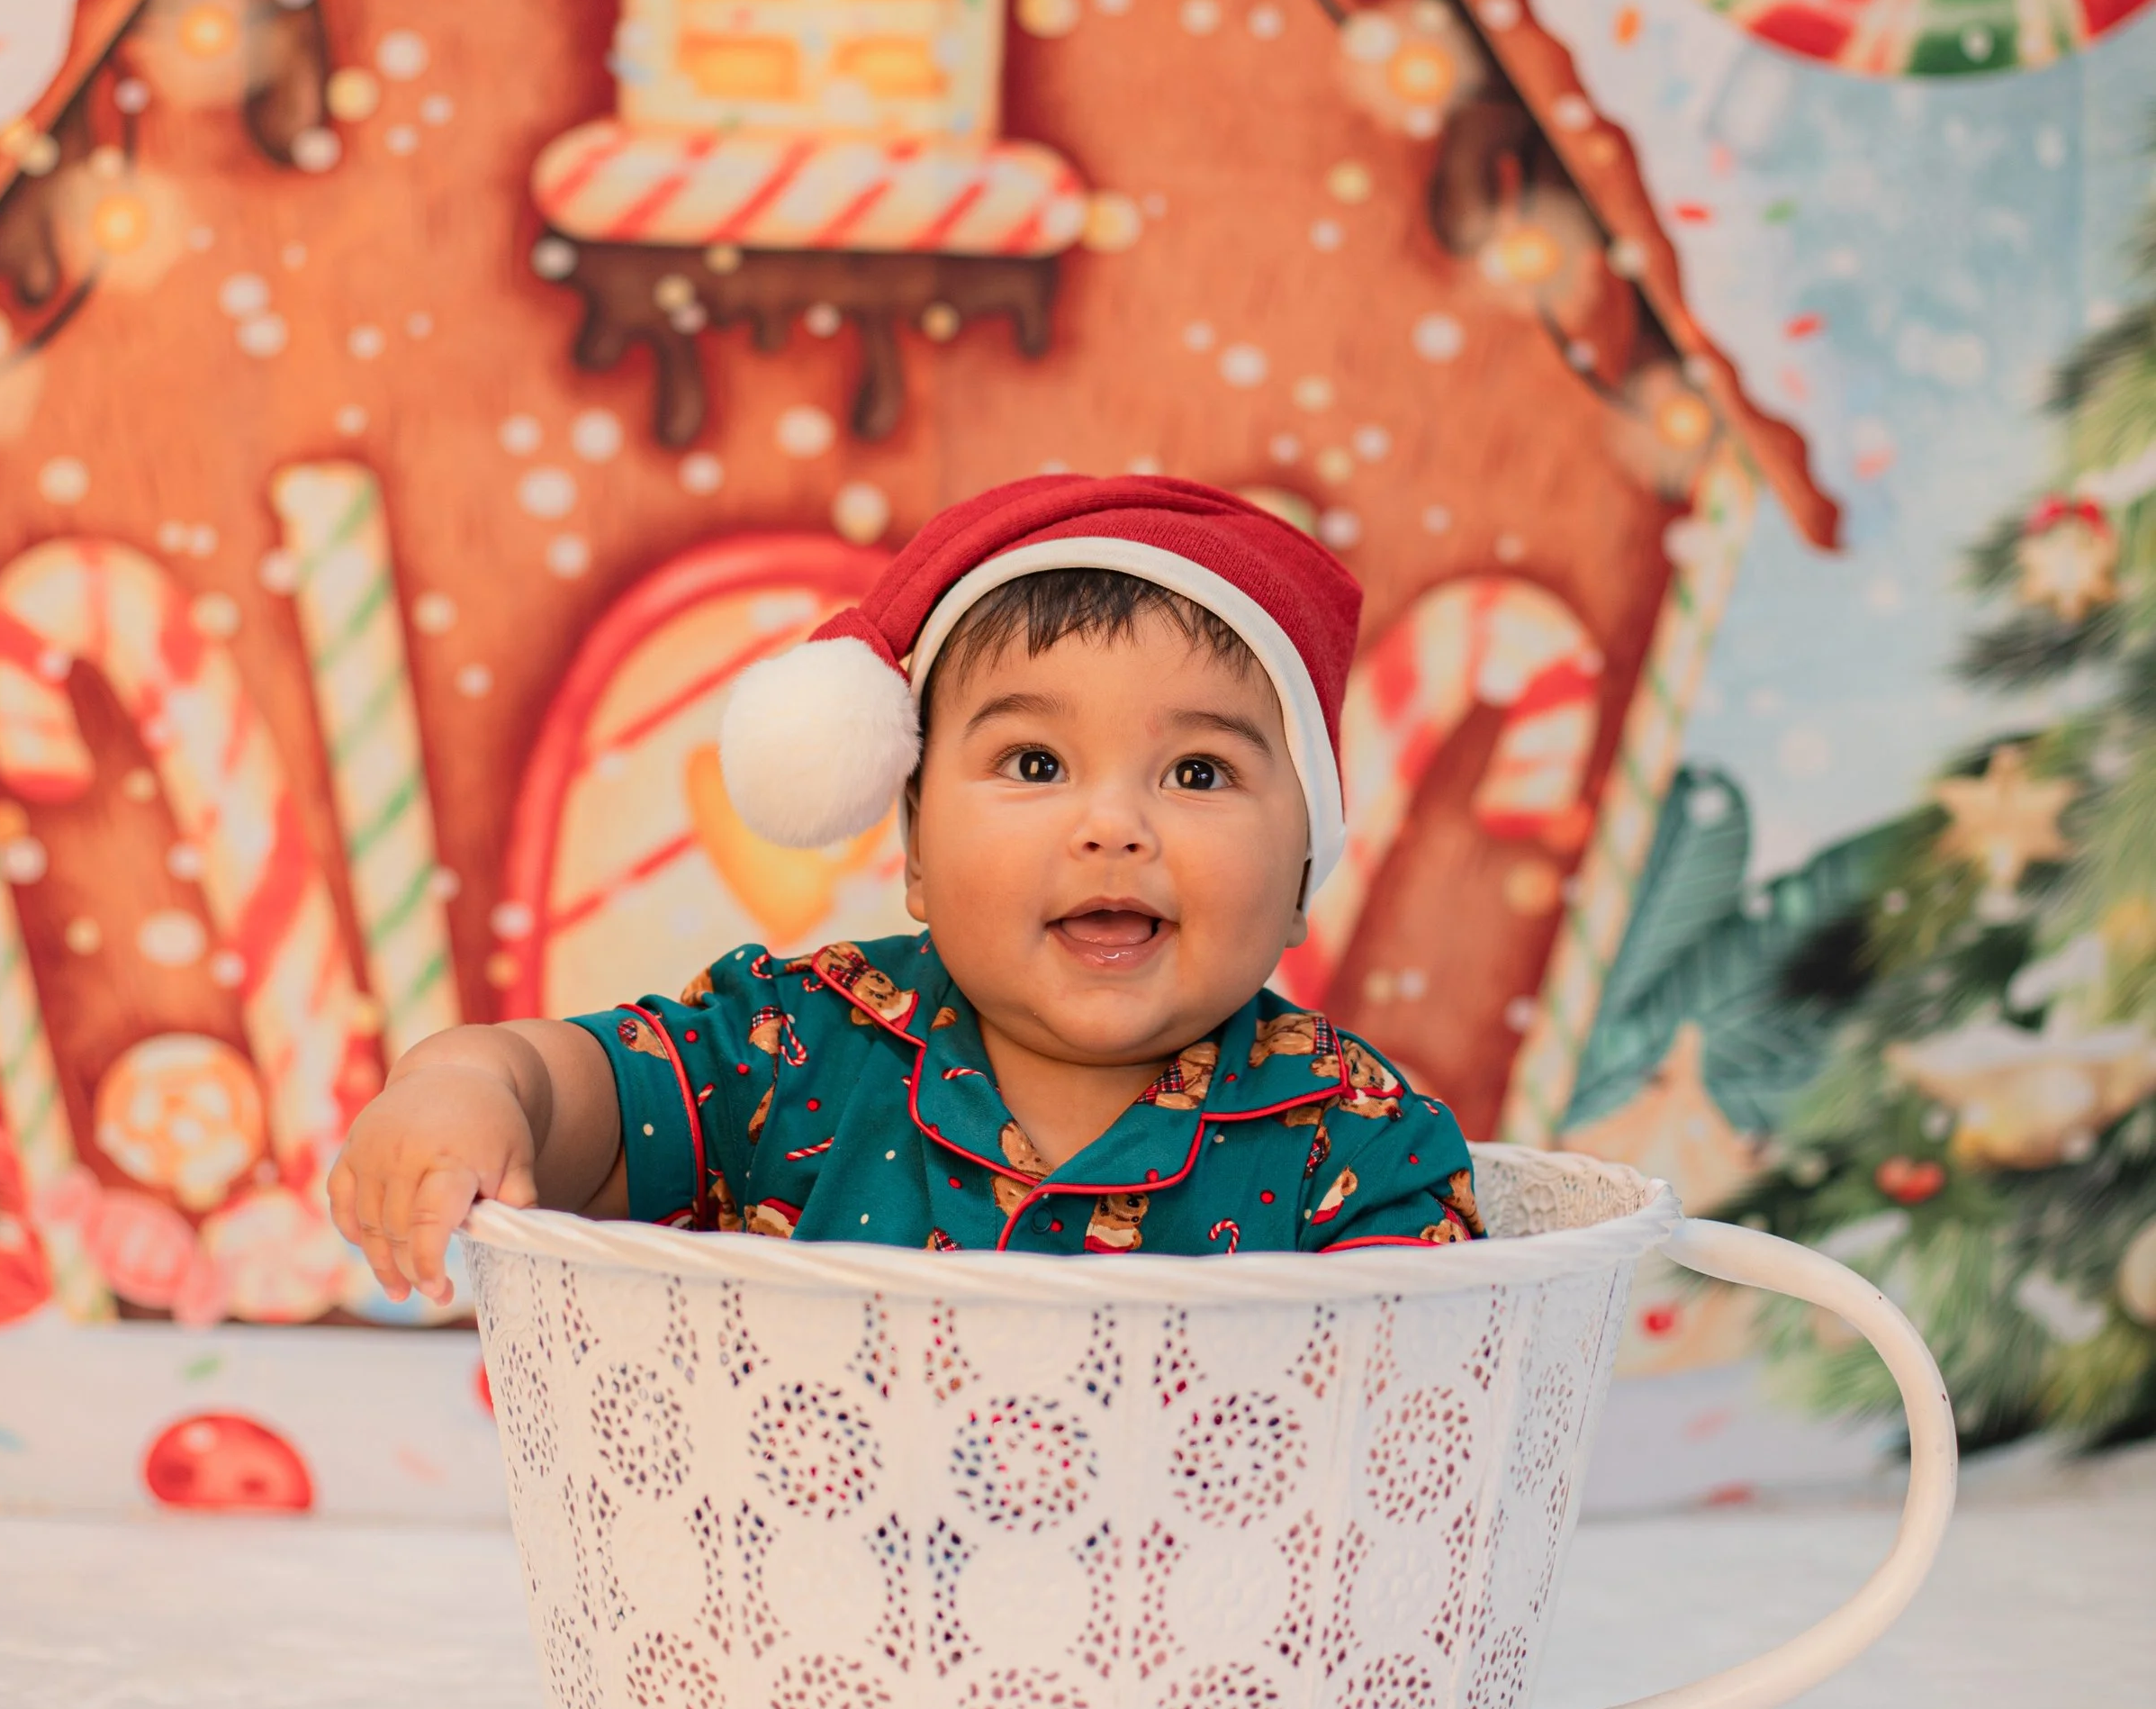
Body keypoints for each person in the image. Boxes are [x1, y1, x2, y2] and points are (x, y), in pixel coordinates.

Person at [329, 473, 1483, 1298]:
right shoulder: (796, 1047)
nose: (1113, 826)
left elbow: (1397, 1445)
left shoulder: (1359, 1143)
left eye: (1198, 771)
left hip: (1189, 1625)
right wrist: (465, 1085)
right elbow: (575, 1095)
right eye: (1035, 764)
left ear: (1301, 874)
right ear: (917, 849)